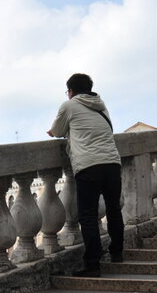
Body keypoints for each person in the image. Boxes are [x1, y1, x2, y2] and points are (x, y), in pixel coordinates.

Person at [47, 73, 123, 277]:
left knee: (88, 215)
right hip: (112, 163)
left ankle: (93, 263)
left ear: (71, 91)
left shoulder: (69, 105)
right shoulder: (101, 106)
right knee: (114, 210)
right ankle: (117, 253)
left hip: (88, 165)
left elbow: (57, 131)